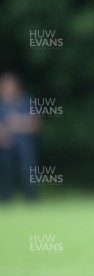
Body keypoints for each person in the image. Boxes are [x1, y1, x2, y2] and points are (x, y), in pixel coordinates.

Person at [0, 72, 40, 202]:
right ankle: (6, 199)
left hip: (24, 143)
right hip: (5, 145)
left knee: (27, 170)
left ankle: (31, 198)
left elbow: (36, 124)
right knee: (5, 171)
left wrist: (19, 122)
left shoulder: (27, 100)